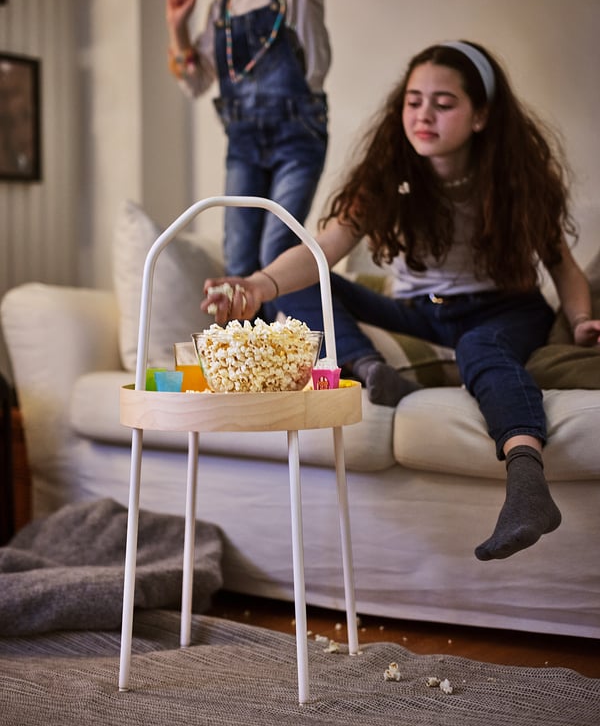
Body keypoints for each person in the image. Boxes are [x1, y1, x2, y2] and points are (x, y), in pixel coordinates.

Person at [201, 39, 600, 562]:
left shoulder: (515, 181)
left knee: (480, 347)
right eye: (414, 101)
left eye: (444, 103)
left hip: (505, 310)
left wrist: (581, 319)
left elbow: (563, 266)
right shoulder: (389, 175)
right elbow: (323, 249)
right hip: (422, 313)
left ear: (481, 116)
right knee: (304, 282)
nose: (423, 115)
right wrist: (259, 285)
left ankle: (527, 482)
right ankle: (372, 369)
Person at [166, 0, 367, 320]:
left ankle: (314, 341)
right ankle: (246, 350)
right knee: (238, 255)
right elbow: (195, 80)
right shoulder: (223, 3)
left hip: (298, 132)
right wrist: (177, 28)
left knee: (276, 251)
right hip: (243, 142)